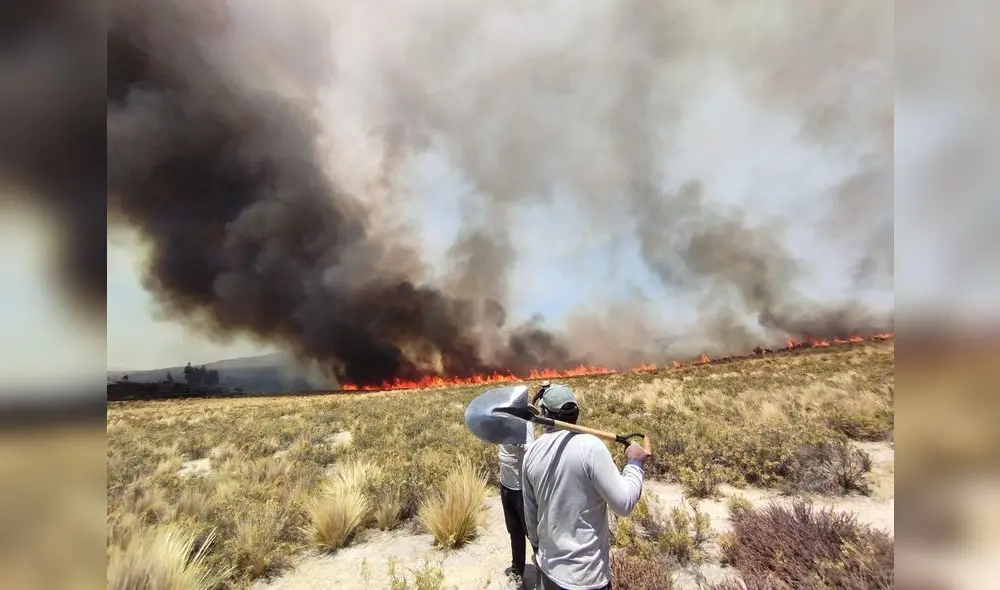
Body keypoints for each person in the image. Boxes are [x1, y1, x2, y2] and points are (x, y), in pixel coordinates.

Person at [521, 384, 652, 590]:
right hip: (586, 576)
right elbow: (624, 504)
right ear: (576, 413)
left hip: (549, 570)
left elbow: (530, 515)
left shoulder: (531, 452)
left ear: (545, 414)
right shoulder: (590, 447)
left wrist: (537, 548)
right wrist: (635, 464)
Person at [498, 394, 536, 587]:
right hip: (506, 485)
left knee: (533, 533)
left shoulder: (525, 424)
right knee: (515, 531)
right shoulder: (502, 423)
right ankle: (517, 572)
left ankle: (545, 571)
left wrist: (518, 443)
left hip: (522, 489)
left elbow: (532, 449)